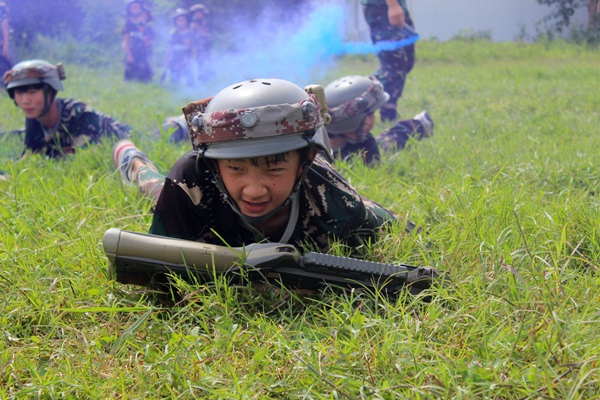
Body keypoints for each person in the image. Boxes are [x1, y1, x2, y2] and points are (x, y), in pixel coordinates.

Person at [113, 78, 402, 253]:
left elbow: (399, 232)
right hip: (200, 200)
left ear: (304, 163)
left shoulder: (332, 198)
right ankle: (133, 161)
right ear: (214, 167)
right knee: (154, 187)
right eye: (236, 168)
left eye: (274, 169)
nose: (254, 190)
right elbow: (156, 273)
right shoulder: (190, 180)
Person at [3, 60, 132, 158]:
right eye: (19, 94)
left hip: (130, 141)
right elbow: (30, 156)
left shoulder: (80, 115)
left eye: (32, 92)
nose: (25, 101)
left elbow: (84, 162)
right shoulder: (34, 116)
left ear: (51, 92)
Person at [325, 75, 433, 165]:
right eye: (369, 114)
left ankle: (415, 125)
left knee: (385, 147)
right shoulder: (314, 150)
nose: (371, 120)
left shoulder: (366, 143)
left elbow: (373, 172)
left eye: (372, 114)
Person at [360, 0, 416, 122]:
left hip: (396, 6)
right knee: (395, 66)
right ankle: (387, 113)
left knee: (406, 64)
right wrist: (392, 5)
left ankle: (358, 90)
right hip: (382, 7)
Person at [122, 0, 153, 82]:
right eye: (134, 7)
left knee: (145, 76)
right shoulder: (128, 24)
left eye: (138, 7)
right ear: (129, 9)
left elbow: (150, 38)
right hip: (132, 51)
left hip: (143, 53)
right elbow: (126, 40)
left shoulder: (144, 23)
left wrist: (148, 42)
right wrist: (128, 54)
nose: (136, 9)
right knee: (130, 74)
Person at [164, 8, 194, 86]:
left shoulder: (191, 34)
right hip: (175, 61)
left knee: (190, 81)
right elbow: (169, 48)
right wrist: (167, 60)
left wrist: (191, 60)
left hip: (186, 61)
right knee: (174, 81)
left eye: (183, 20)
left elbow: (193, 49)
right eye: (179, 20)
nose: (181, 23)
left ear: (186, 21)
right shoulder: (174, 34)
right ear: (175, 22)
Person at [188, 3, 213, 81]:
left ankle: (207, 77)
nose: (197, 15)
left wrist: (200, 29)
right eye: (196, 13)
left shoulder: (207, 22)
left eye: (199, 13)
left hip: (206, 45)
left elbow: (207, 34)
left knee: (206, 61)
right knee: (198, 62)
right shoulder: (193, 23)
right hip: (196, 46)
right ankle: (199, 77)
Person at [0, 1, 16, 78]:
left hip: (5, 45)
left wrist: (6, 45)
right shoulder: (4, 20)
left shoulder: (4, 20)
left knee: (9, 65)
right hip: (4, 45)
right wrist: (6, 45)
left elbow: (6, 33)